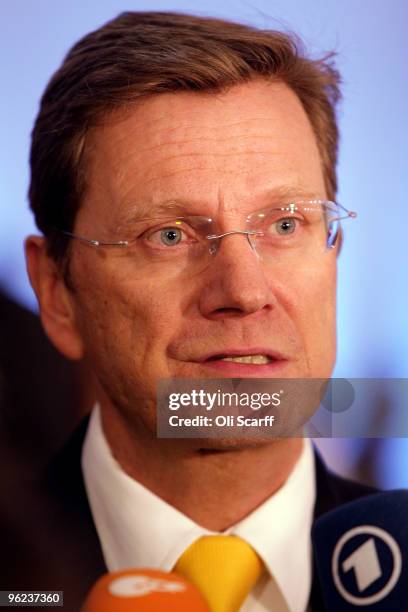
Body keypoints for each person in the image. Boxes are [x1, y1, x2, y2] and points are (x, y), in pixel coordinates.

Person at [4, 11, 376, 611]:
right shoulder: (17, 572)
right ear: (57, 292)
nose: (244, 291)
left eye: (285, 224)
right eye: (169, 235)